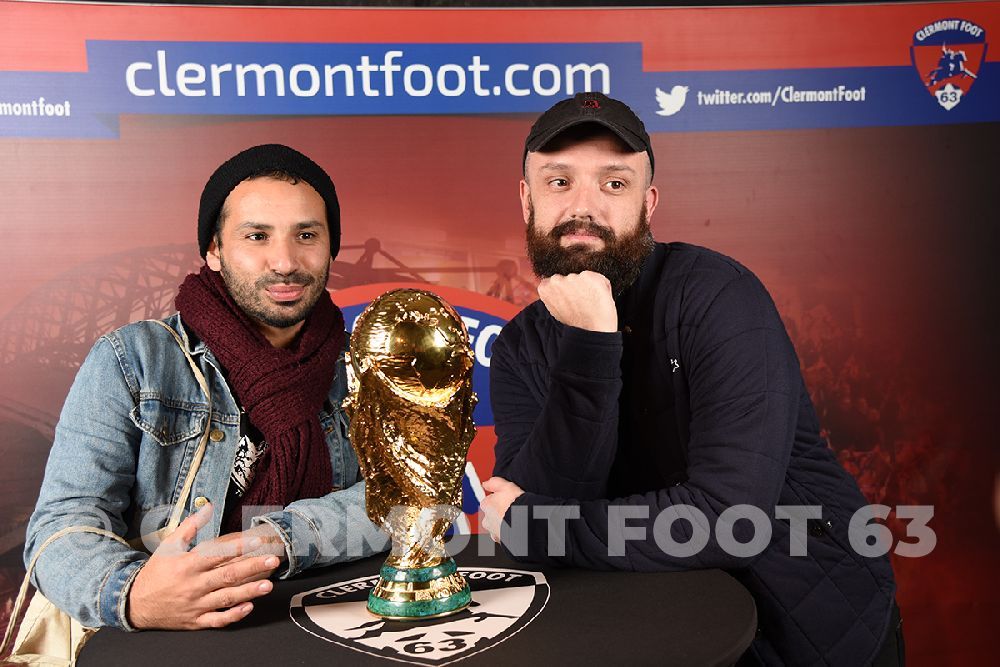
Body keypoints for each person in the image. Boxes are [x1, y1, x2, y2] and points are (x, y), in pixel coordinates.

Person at [479, 93, 902, 665]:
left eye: (614, 184)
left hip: (806, 619)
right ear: (526, 199)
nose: (585, 207)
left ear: (648, 204)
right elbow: (540, 513)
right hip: (656, 621)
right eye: (559, 182)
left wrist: (535, 523)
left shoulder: (718, 296)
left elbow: (732, 519)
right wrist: (590, 346)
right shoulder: (519, 347)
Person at [23, 144, 387, 631]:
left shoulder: (365, 365)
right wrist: (133, 595)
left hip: (330, 621)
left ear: (330, 246)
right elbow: (62, 526)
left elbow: (405, 503)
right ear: (214, 250)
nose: (284, 261)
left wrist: (274, 541)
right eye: (256, 235)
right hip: (173, 634)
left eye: (306, 234)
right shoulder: (134, 361)